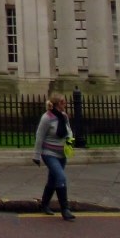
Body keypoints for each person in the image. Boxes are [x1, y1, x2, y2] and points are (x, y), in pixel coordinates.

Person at [32, 92, 75, 220]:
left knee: (53, 180)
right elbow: (39, 136)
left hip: (62, 153)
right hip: (49, 153)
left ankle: (44, 204)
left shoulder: (64, 116)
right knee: (61, 177)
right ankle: (65, 209)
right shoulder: (46, 118)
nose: (65, 104)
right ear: (56, 104)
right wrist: (36, 155)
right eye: (63, 102)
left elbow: (69, 131)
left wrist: (69, 145)